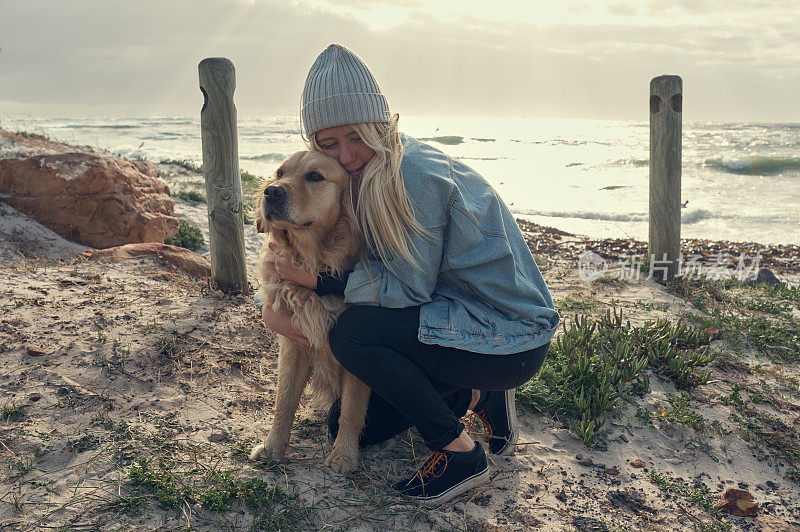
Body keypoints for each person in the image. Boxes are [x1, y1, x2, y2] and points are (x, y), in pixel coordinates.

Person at [259, 43, 560, 506]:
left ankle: (460, 454)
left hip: (508, 337)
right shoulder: (369, 179)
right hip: (459, 320)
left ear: (379, 124)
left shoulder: (411, 174)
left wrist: (315, 286)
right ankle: (483, 395)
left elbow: (407, 288)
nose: (347, 154)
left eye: (356, 135)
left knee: (354, 337)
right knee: (354, 423)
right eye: (329, 144)